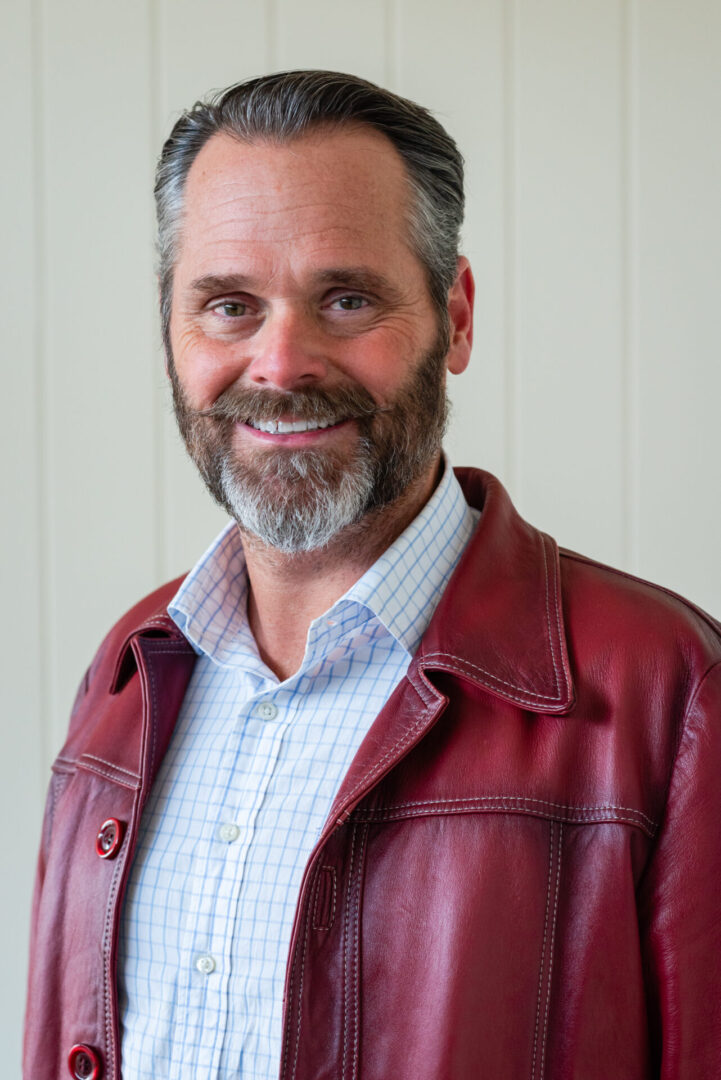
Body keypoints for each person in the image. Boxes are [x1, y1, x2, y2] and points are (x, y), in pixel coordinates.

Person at [24, 70, 721, 1080]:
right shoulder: (131, 664)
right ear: (172, 332)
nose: (280, 362)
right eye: (227, 305)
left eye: (345, 299)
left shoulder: (671, 691)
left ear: (457, 317)